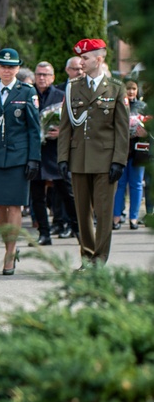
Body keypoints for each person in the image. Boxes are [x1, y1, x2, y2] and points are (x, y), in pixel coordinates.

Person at [58, 39, 129, 266]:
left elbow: (122, 129)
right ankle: (87, 257)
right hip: (79, 159)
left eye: (86, 58)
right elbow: (65, 126)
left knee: (104, 212)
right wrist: (63, 157)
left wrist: (119, 160)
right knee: (82, 213)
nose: (81, 62)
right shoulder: (73, 87)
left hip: (106, 160)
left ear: (99, 59)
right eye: (81, 58)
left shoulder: (116, 87)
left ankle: (100, 259)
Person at [0, 48, 41, 275]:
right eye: (3, 66)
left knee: (14, 206)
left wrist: (34, 158)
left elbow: (34, 129)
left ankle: (10, 253)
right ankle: (8, 246)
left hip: (18, 158)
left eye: (11, 67)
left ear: (17, 69)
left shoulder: (27, 92)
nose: (7, 70)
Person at [29, 61, 77, 245]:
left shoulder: (61, 95)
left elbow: (75, 122)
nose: (42, 78)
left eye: (46, 74)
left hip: (56, 152)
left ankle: (77, 228)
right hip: (35, 153)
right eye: (39, 74)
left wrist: (62, 132)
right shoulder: (28, 94)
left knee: (67, 192)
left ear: (53, 77)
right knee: (37, 196)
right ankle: (44, 233)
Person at [112, 79, 147, 230]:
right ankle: (116, 216)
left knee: (137, 184)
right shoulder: (118, 104)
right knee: (119, 184)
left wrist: (145, 132)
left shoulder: (143, 107)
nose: (131, 92)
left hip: (139, 150)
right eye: (128, 89)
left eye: (133, 89)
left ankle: (133, 218)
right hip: (120, 149)